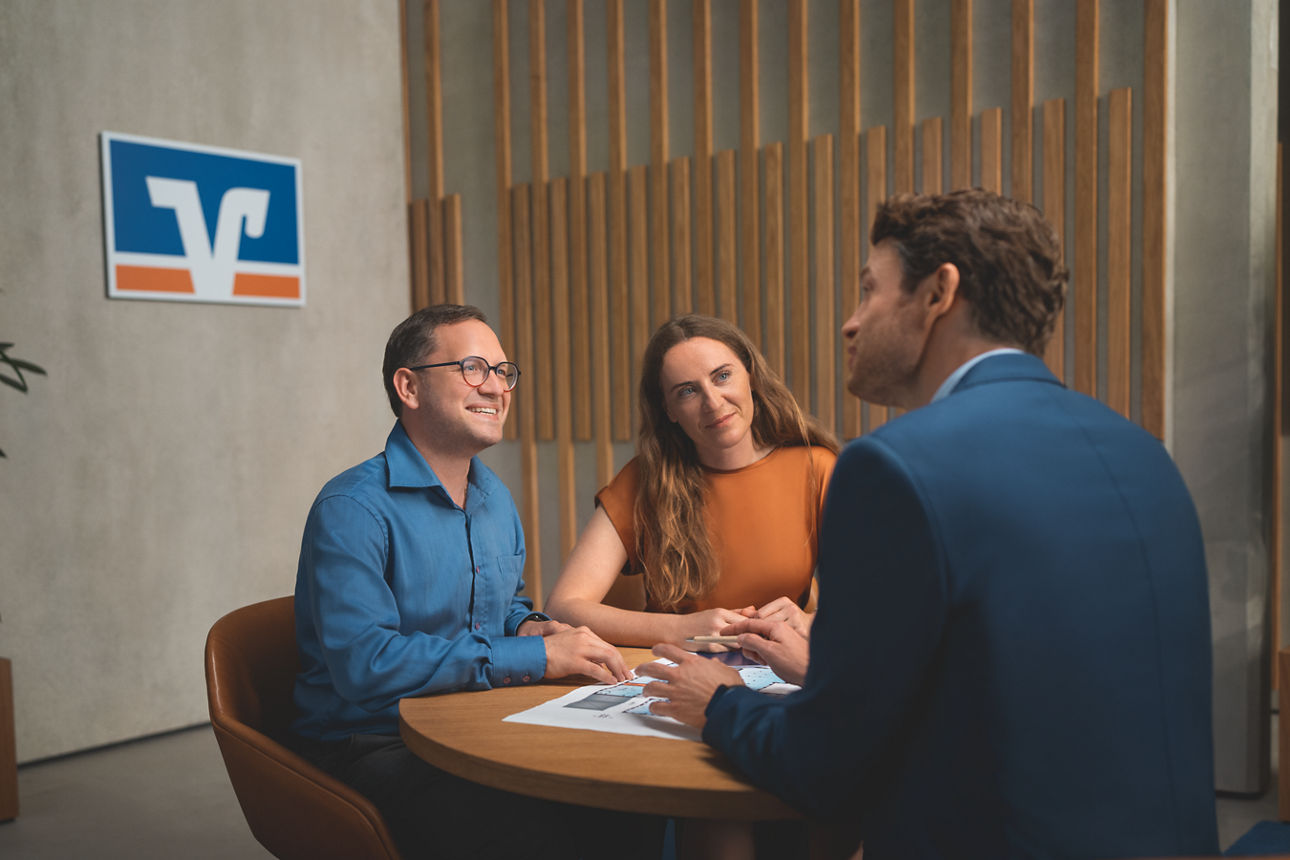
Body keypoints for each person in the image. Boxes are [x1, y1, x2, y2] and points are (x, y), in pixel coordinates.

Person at [644, 190, 1219, 859]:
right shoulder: (1145, 455)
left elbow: (824, 770)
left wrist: (720, 702)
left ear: (938, 293)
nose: (850, 323)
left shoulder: (891, 468)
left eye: (869, 290)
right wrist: (828, 668)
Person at [289, 303, 648, 859]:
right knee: (538, 831)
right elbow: (367, 666)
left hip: (475, 719)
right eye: (474, 368)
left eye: (504, 373)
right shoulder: (352, 508)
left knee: (624, 797)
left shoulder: (494, 498)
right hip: (375, 743)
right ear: (409, 387)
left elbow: (504, 605)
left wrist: (531, 627)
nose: (498, 387)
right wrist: (535, 660)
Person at [545, 313, 838, 648]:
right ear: (668, 410)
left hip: (782, 679)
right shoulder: (644, 480)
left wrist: (807, 622)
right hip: (673, 672)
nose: (713, 403)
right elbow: (562, 608)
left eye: (722, 376)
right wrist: (680, 629)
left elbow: (877, 605)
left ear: (751, 377)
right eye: (687, 391)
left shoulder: (817, 469)